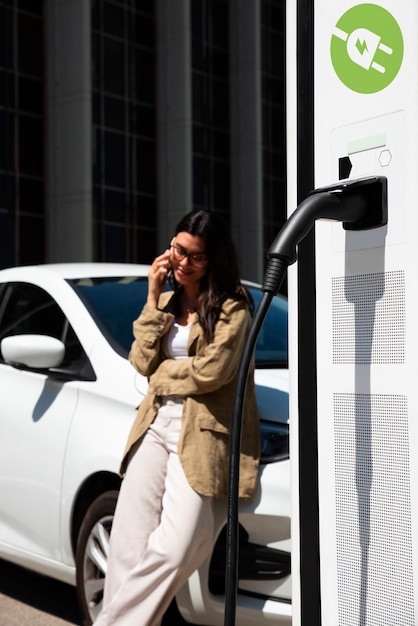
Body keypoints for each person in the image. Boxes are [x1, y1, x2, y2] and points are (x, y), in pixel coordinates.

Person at [94, 209, 260, 626]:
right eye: (178, 250)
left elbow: (213, 371)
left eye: (196, 257)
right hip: (153, 425)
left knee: (179, 546)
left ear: (214, 260)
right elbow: (140, 359)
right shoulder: (167, 302)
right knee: (127, 548)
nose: (183, 262)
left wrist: (162, 376)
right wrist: (151, 297)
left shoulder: (234, 305)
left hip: (201, 432)